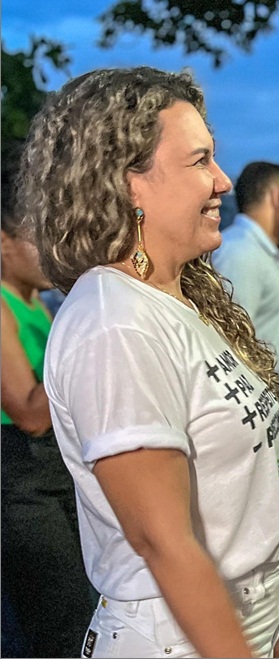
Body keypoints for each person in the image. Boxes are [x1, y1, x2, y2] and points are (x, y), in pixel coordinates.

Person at [18, 66, 279, 657]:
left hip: (234, 614)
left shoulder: (179, 299)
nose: (222, 181)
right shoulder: (115, 322)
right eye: (200, 161)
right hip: (178, 638)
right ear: (128, 184)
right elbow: (163, 543)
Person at [210, 161, 279, 654]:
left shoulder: (262, 253)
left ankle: (277, 626)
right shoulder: (240, 253)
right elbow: (228, 345)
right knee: (263, 542)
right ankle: (269, 633)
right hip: (265, 428)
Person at [1, 142, 96, 657]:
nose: (50, 249)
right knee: (58, 627)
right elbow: (30, 413)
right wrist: (88, 330)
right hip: (23, 485)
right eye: (36, 238)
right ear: (3, 242)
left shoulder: (38, 300)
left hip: (56, 478)